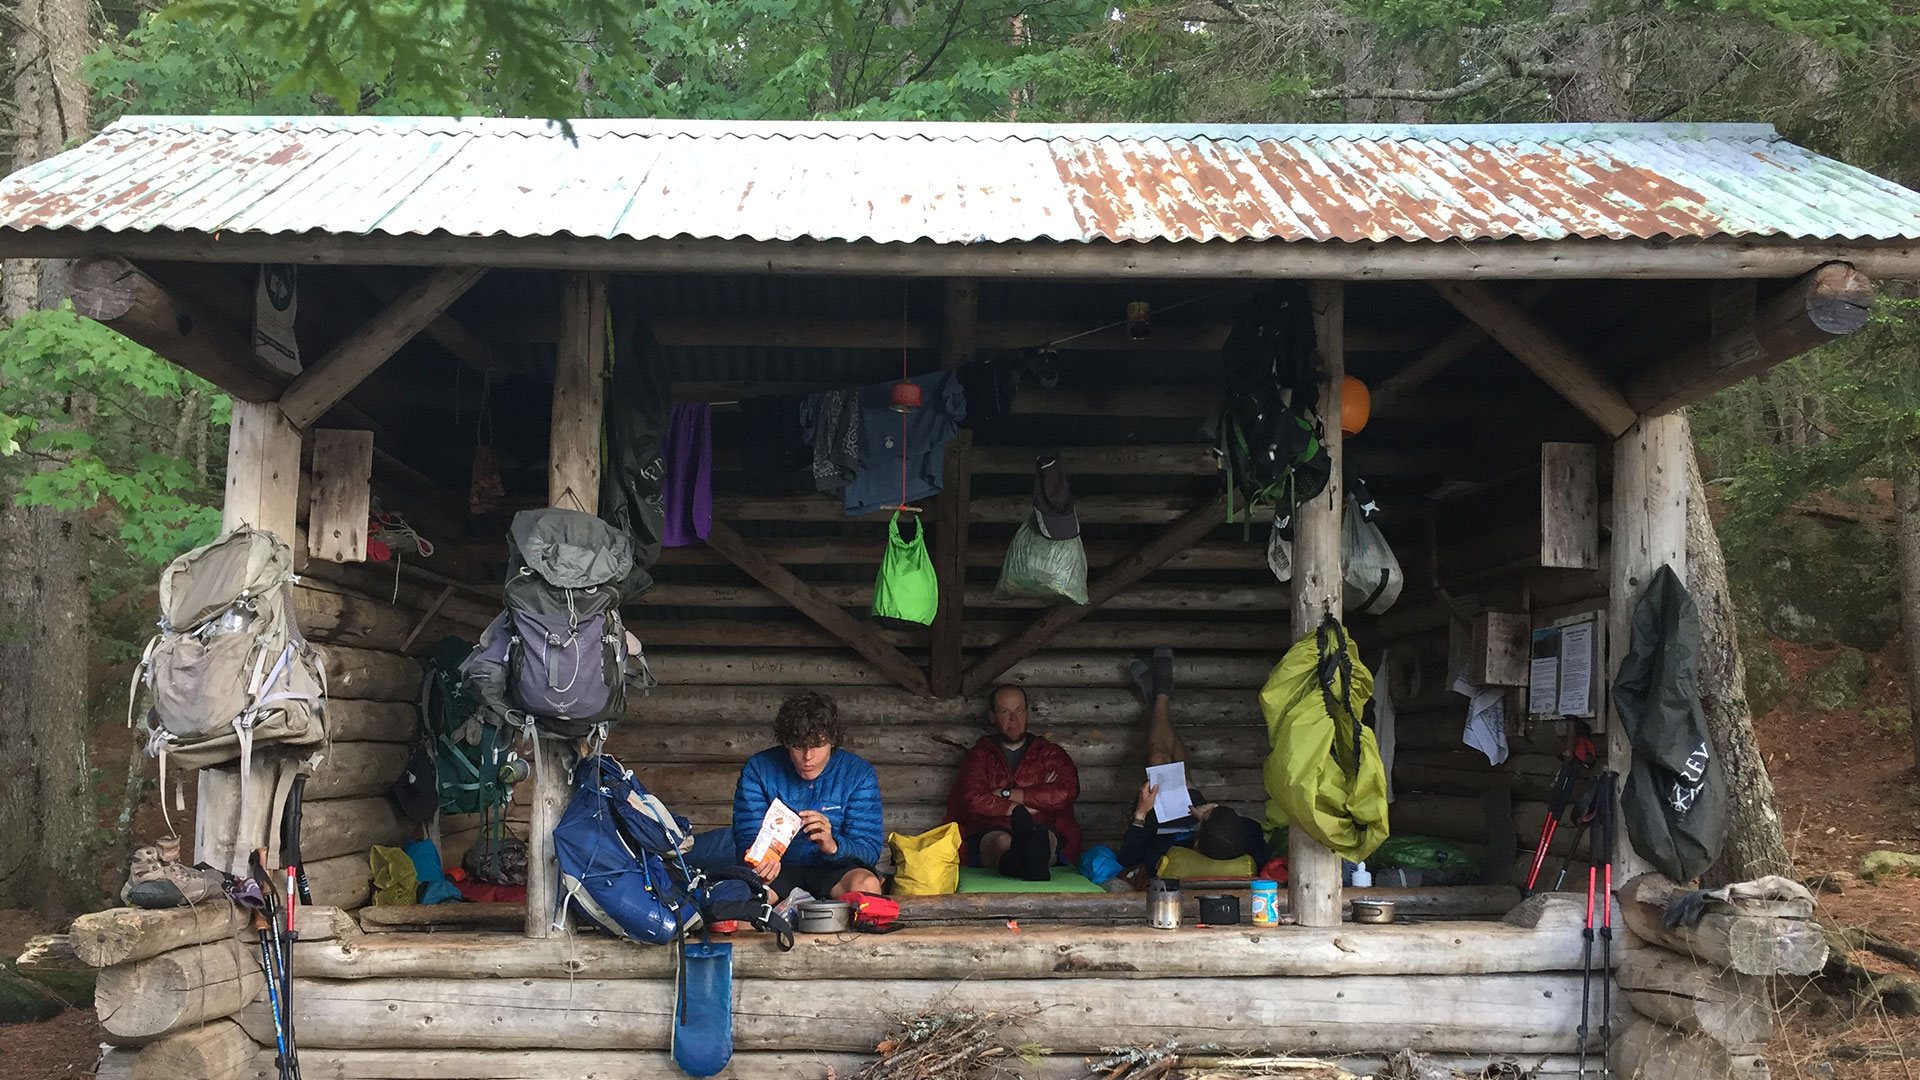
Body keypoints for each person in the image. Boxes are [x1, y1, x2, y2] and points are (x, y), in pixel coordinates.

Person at [1112, 648, 1267, 878]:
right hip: (1196, 812)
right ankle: (1161, 697)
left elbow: (1127, 858)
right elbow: (1251, 829)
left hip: (1155, 812)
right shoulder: (1241, 841)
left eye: (1203, 818)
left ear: (1197, 844)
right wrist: (1213, 815)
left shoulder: (1168, 854)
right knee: (1177, 772)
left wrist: (1141, 813)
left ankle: (1159, 697)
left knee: (1159, 758)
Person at [731, 691, 884, 902]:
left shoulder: (857, 773)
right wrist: (759, 863)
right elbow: (746, 837)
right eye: (799, 746)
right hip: (780, 870)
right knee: (742, 905)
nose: (808, 757)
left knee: (867, 886)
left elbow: (869, 849)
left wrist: (832, 845)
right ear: (786, 742)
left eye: (818, 745)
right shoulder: (759, 769)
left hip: (837, 870)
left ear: (832, 741)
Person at [945, 684, 1082, 881]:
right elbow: (972, 798)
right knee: (1001, 842)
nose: (1014, 719)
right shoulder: (980, 755)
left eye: (1019, 710)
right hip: (993, 827)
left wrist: (1005, 794)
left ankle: (1030, 862)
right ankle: (1028, 866)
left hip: (1041, 825)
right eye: (1005, 711)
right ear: (992, 716)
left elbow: (1067, 790)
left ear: (1027, 712)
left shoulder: (1049, 753)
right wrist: (1028, 805)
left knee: (1043, 838)